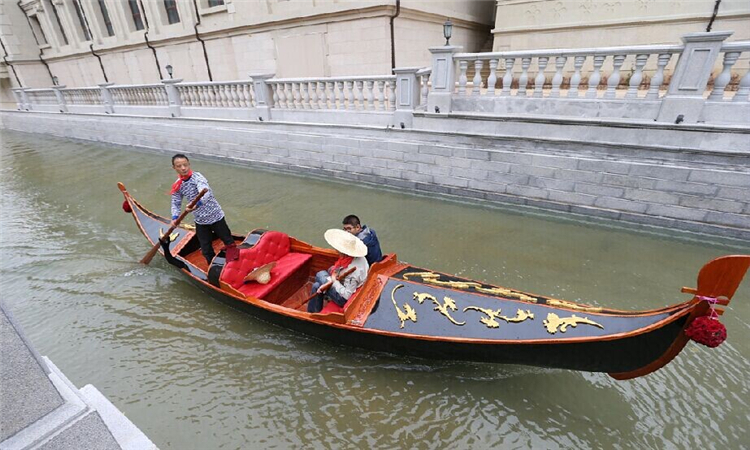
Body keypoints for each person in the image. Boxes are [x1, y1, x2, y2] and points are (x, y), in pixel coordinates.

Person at [169, 154, 234, 264]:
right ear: (174, 168)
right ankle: (212, 266)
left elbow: (205, 192)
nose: (183, 168)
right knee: (205, 249)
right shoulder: (178, 185)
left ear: (189, 164)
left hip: (215, 216)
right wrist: (175, 218)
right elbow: (175, 202)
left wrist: (196, 204)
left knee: (229, 242)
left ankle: (234, 263)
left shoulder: (198, 177)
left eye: (185, 165)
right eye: (179, 166)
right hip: (200, 220)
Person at [308, 229, 369, 313]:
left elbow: (346, 295)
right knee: (317, 285)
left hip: (342, 298)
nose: (336, 250)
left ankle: (312, 312)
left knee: (320, 274)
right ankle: (313, 312)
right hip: (344, 282)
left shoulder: (353, 272)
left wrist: (333, 280)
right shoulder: (361, 258)